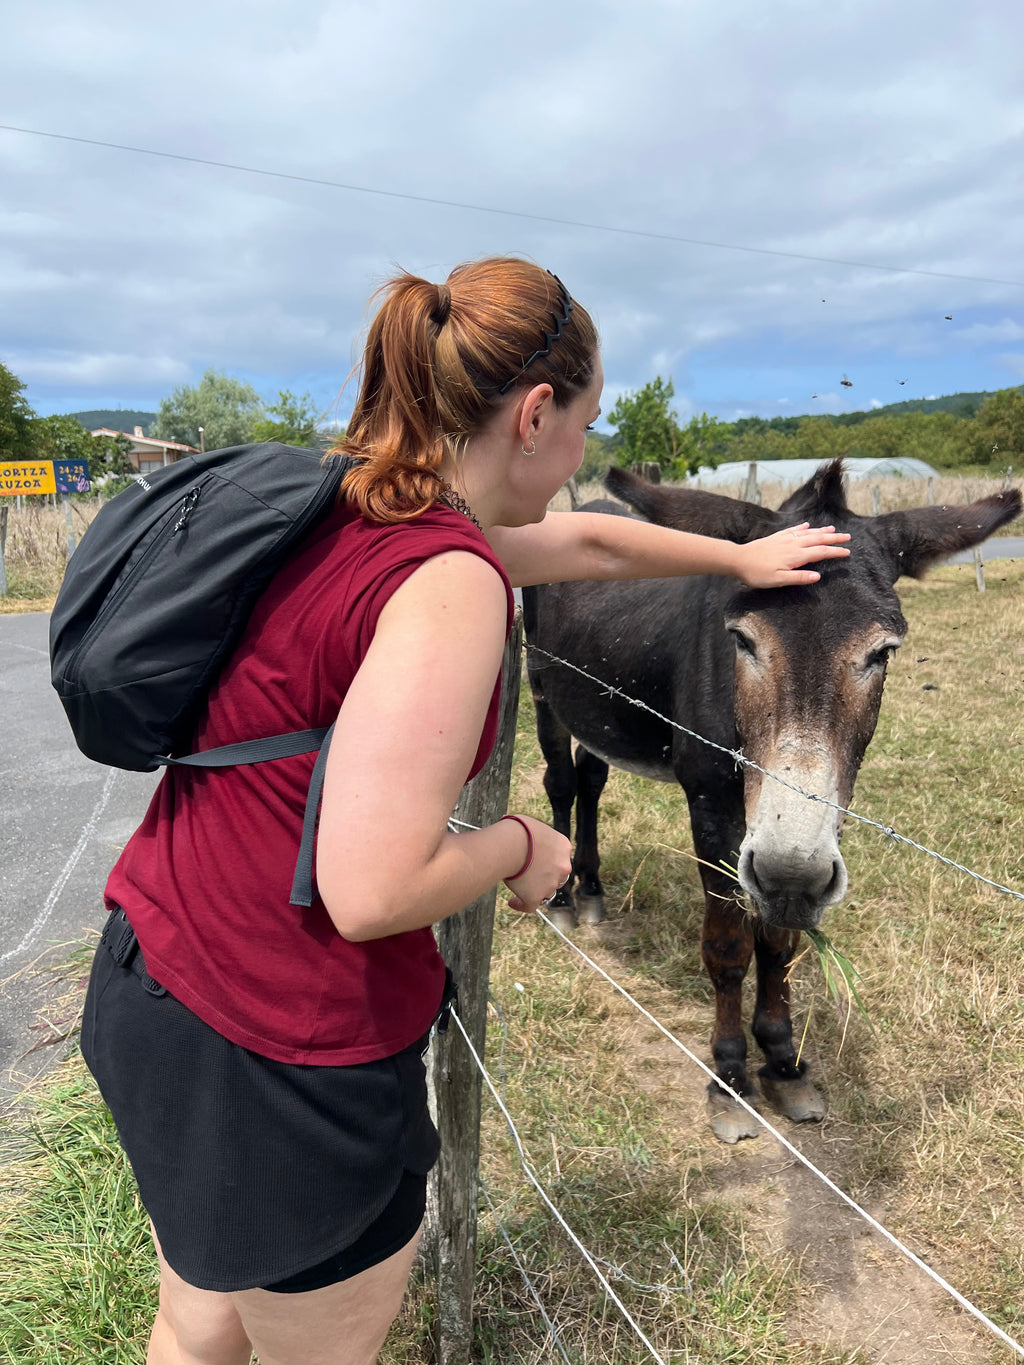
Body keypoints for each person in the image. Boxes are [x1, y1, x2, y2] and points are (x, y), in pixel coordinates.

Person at [80, 256, 850, 1365]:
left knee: (198, 1327)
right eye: (582, 425)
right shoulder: (445, 578)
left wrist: (741, 555)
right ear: (535, 415)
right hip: (281, 1048)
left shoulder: (349, 504)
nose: (582, 456)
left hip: (157, 969)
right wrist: (518, 844)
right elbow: (372, 891)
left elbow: (587, 540)